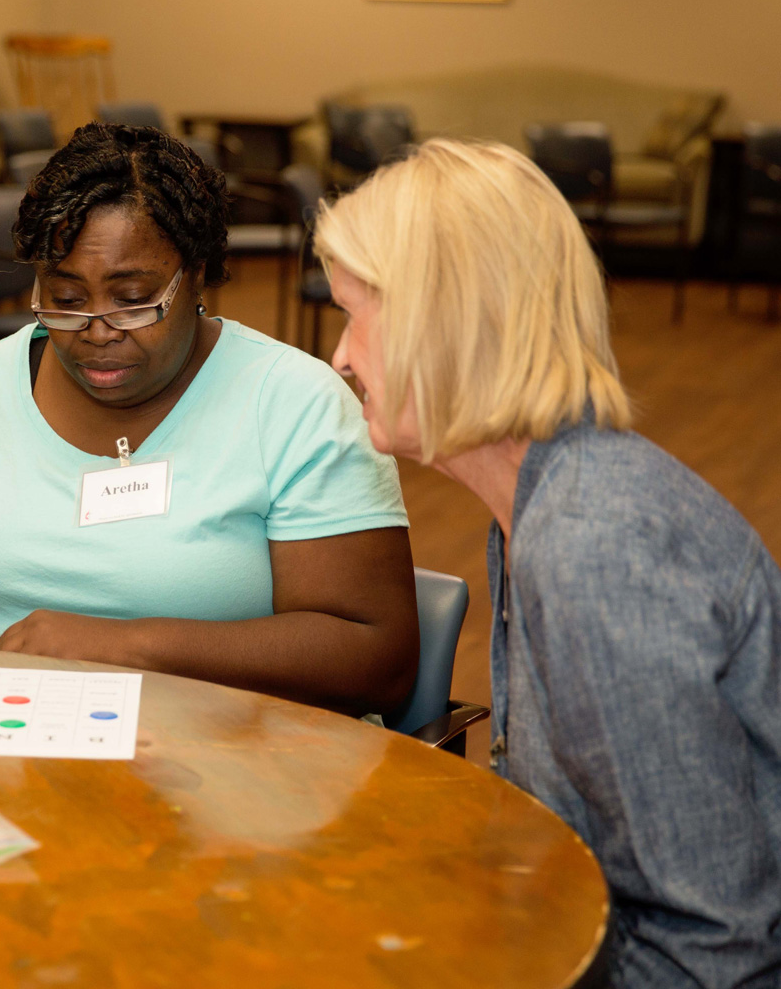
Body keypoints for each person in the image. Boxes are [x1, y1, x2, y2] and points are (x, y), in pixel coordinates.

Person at [316, 138, 781, 987]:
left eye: (356, 315)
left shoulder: (594, 545)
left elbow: (716, 945)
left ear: (445, 324)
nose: (342, 356)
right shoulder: (536, 503)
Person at [0, 123, 419, 716]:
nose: (96, 329)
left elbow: (378, 658)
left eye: (133, 298)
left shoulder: (293, 403)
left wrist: (128, 648)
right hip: (21, 757)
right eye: (64, 300)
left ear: (195, 275)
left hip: (248, 773)